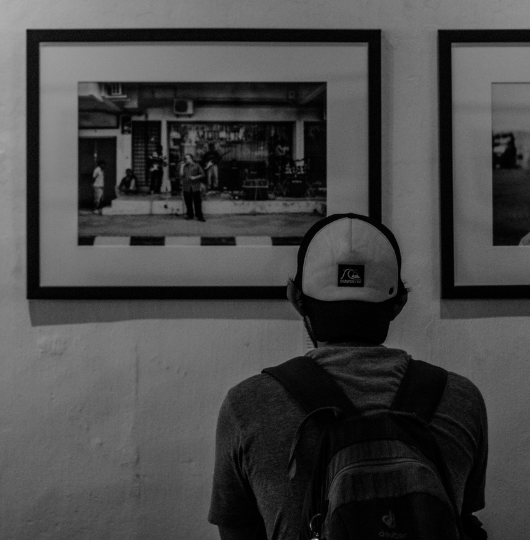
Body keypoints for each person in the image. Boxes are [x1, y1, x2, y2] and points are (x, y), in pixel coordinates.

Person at [209, 213, 488, 540]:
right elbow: (461, 517)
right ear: (399, 303)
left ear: (296, 298)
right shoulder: (461, 398)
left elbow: (237, 532)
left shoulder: (247, 406)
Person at [180, 153, 205, 221]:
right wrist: (182, 166)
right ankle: (190, 215)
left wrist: (195, 177)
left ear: (191, 158)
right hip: (186, 187)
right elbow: (181, 175)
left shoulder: (197, 166)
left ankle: (199, 216)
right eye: (185, 158)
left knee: (197, 202)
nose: (185, 160)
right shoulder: (184, 166)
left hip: (195, 187)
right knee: (188, 202)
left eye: (186, 158)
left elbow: (203, 174)